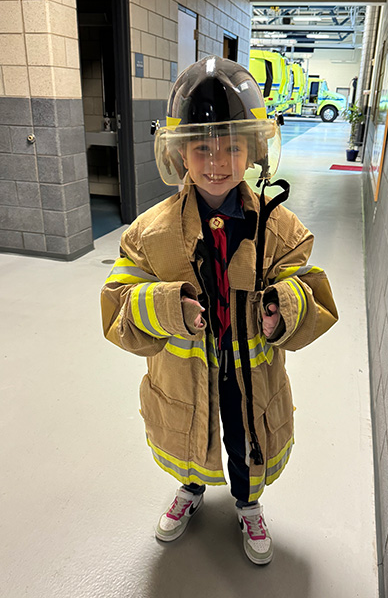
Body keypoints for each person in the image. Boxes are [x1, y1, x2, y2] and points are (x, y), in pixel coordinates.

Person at [100, 56, 338, 566]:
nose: (217, 161)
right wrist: (166, 308)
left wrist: (284, 309)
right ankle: (190, 489)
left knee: (243, 435)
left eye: (232, 146)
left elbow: (309, 289)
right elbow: (118, 304)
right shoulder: (150, 233)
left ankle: (248, 504)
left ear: (254, 151)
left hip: (249, 375)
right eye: (202, 147)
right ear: (179, 152)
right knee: (192, 431)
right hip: (186, 373)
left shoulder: (279, 228)